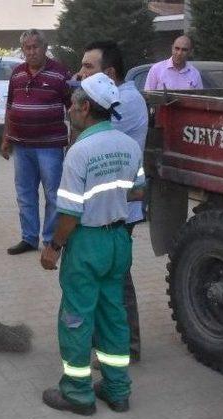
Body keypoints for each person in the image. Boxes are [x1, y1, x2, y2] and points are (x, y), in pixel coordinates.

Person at [39, 73, 144, 416]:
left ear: (86, 107)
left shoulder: (79, 151)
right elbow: (138, 191)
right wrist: (110, 197)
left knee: (76, 317)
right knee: (113, 314)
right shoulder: (129, 145)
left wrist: (54, 247)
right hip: (118, 240)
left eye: (73, 103)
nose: (70, 108)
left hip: (86, 243)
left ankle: (78, 393)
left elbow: (68, 213)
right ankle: (117, 390)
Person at [76, 40, 148, 363]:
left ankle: (127, 345)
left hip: (119, 206)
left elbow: (89, 132)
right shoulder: (117, 97)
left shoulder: (126, 101)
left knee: (116, 278)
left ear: (110, 74)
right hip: (105, 204)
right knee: (109, 275)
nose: (80, 74)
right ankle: (109, 340)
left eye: (88, 67)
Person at [1, 29, 72, 255]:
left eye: (35, 47)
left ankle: (51, 239)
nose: (31, 52)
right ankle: (29, 238)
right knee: (25, 193)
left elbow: (74, 107)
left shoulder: (60, 74)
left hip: (50, 147)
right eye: (27, 48)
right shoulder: (17, 74)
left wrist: (76, 141)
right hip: (21, 146)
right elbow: (10, 107)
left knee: (53, 194)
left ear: (44, 47)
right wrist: (6, 138)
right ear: (23, 50)